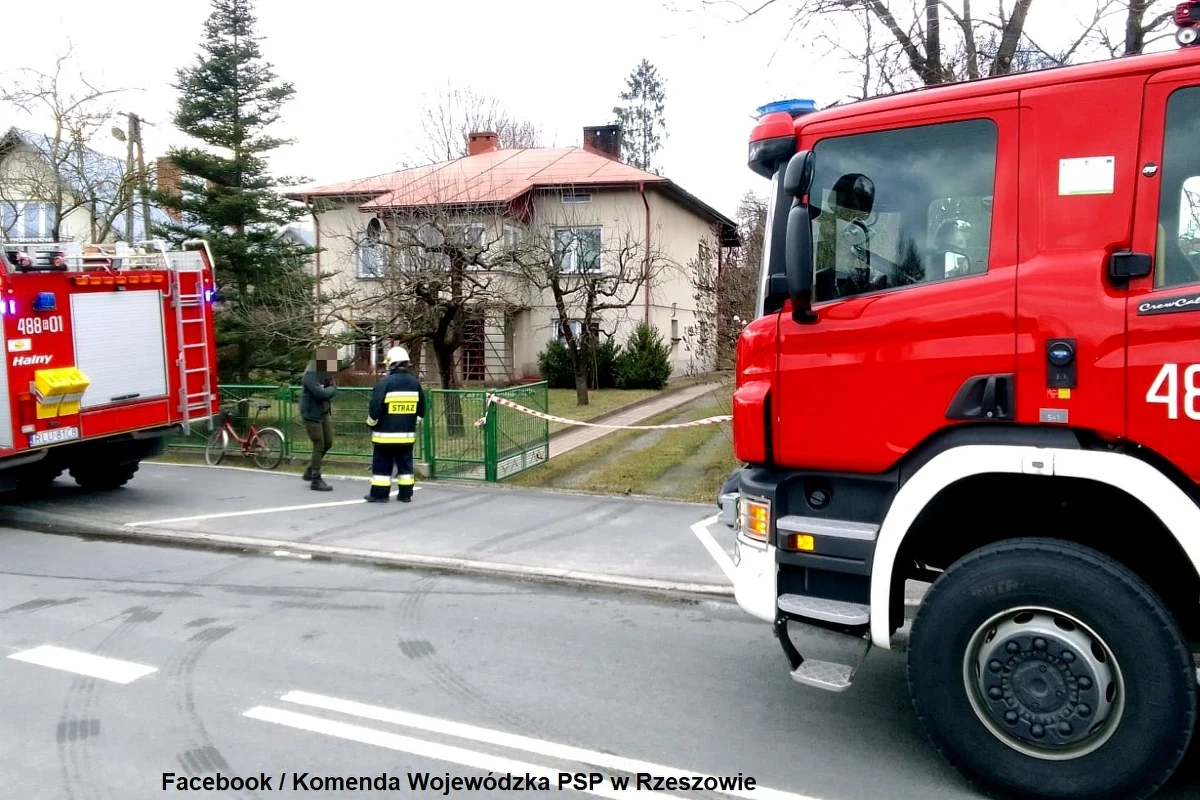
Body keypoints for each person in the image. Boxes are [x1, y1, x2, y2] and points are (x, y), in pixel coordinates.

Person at [365, 346, 425, 503]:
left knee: (382, 467)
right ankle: (405, 495)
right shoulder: (415, 383)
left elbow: (375, 408)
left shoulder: (384, 383)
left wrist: (370, 423)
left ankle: (379, 495)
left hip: (384, 437)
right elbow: (422, 410)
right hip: (406, 436)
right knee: (405, 468)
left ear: (392, 364)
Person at [300, 347, 339, 492]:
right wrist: (332, 390)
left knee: (328, 442)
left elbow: (330, 388)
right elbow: (320, 393)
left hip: (322, 412)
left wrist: (330, 389)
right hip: (311, 413)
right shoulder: (310, 375)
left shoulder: (325, 373)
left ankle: (310, 470)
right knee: (319, 444)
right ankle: (315, 479)